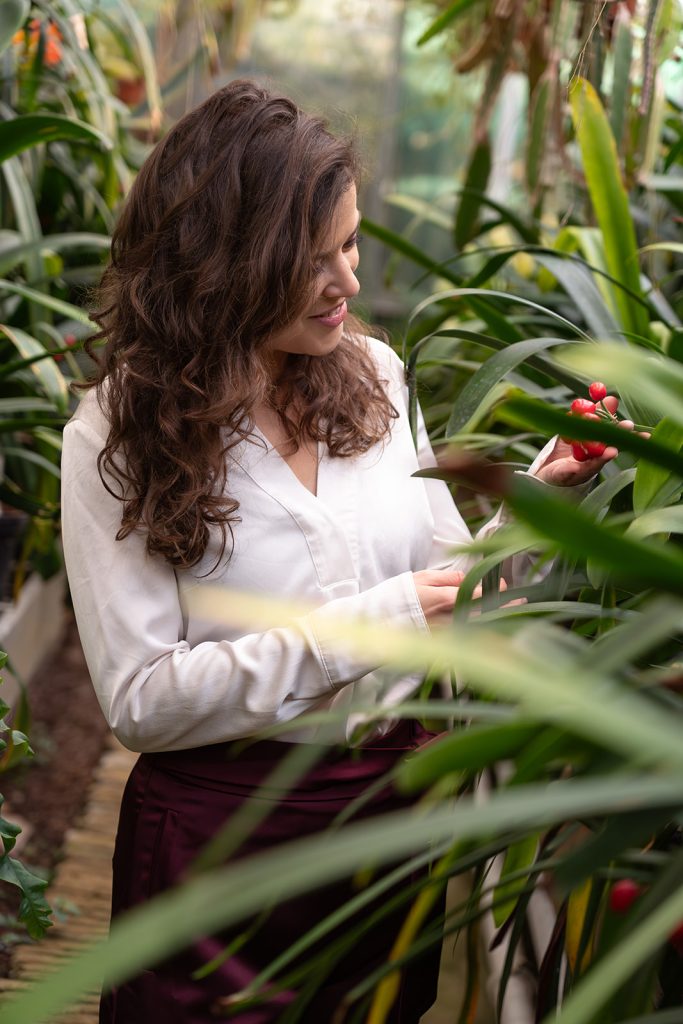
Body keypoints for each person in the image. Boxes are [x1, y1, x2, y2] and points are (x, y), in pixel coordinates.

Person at [61, 80, 620, 1024]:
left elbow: (447, 583)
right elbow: (143, 700)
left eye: (351, 243)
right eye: (310, 259)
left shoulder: (374, 376)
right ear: (223, 259)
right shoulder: (114, 433)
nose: (349, 283)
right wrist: (380, 621)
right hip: (218, 849)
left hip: (383, 830)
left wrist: (535, 504)